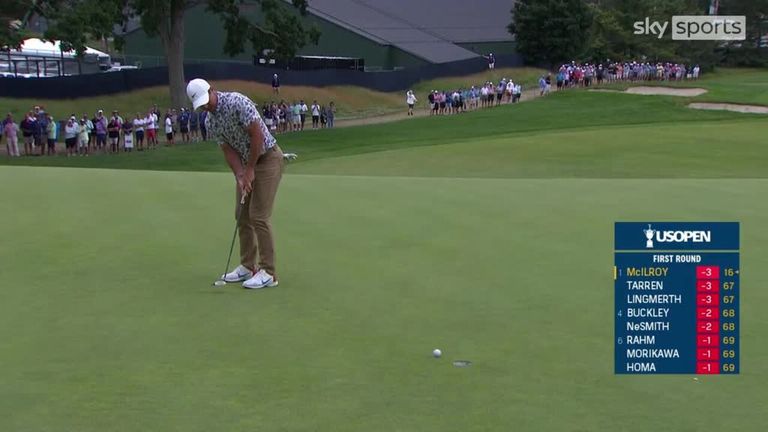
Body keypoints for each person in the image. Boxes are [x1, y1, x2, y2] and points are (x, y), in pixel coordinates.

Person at [187, 78, 284, 289]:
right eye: (201, 105)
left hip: (267, 159)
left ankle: (269, 272)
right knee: (241, 214)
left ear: (212, 90)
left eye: (206, 100)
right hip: (247, 163)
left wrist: (250, 169)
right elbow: (227, 149)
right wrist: (240, 175)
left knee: (259, 215)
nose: (206, 106)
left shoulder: (237, 102)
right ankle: (248, 266)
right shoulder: (210, 121)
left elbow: (257, 135)